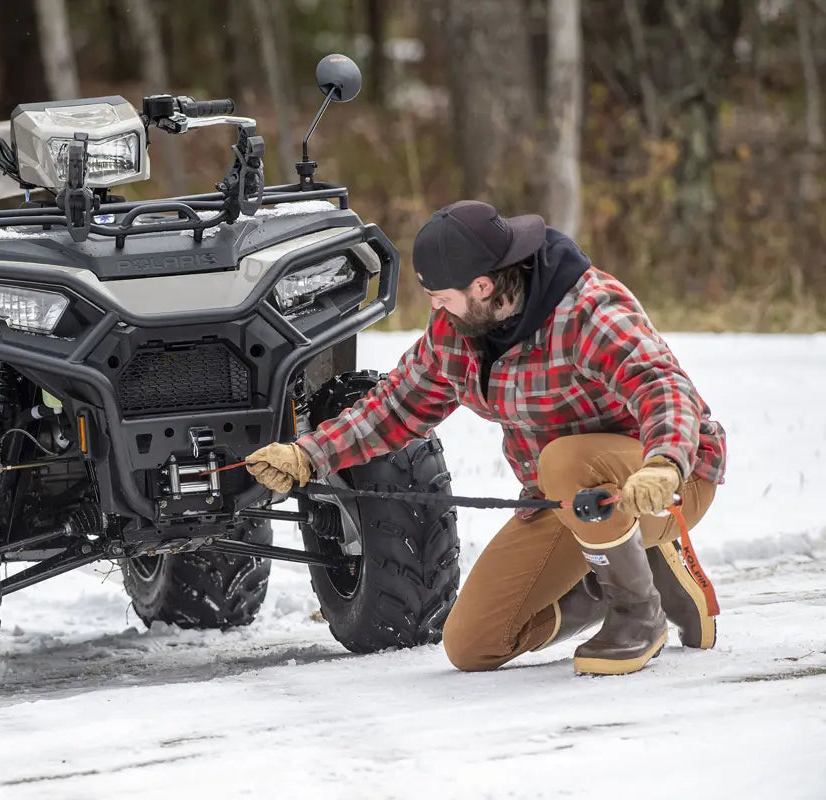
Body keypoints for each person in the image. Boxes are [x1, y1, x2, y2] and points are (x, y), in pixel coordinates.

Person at [245, 200, 726, 675]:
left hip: (667, 481)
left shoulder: (587, 310)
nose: (434, 306)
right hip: (566, 501)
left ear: (483, 284)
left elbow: (661, 384)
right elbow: (393, 407)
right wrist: (307, 455)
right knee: (473, 644)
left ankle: (639, 614)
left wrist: (665, 462)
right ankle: (621, 573)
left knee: (563, 460)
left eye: (442, 295)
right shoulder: (457, 331)